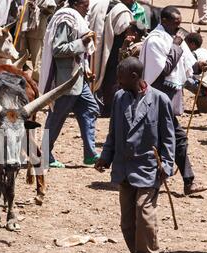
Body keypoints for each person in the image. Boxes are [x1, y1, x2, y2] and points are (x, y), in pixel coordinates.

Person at [95, 57, 175, 253]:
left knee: (144, 211)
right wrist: (106, 157)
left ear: (134, 77)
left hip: (149, 167)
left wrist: (167, 165)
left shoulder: (160, 100)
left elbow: (169, 137)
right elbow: (113, 133)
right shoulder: (120, 98)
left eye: (120, 79)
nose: (117, 83)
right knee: (127, 220)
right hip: (123, 168)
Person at [139, 6, 207, 196]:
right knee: (174, 138)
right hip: (157, 96)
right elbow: (164, 69)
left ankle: (178, 179)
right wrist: (177, 45)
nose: (178, 28)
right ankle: (186, 180)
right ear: (164, 21)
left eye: (180, 24)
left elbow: (185, 64)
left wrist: (197, 66)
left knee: (168, 138)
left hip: (170, 97)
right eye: (175, 24)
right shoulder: (155, 40)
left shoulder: (174, 38)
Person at [39, 0, 100, 168]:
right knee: (57, 117)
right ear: (75, 4)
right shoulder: (66, 19)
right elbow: (58, 49)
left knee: (90, 108)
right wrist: (82, 43)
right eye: (84, 4)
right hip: (65, 80)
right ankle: (45, 155)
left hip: (77, 77)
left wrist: (85, 68)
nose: (87, 7)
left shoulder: (76, 18)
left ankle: (90, 153)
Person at [92, 0, 134, 117]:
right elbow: (122, 32)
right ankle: (109, 109)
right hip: (114, 52)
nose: (133, 1)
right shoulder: (123, 12)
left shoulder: (101, 5)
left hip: (104, 49)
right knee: (112, 80)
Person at [17, 0, 57, 82]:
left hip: (37, 31)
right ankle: (18, 79)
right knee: (21, 56)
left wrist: (37, 8)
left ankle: (38, 82)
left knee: (37, 60)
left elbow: (51, 10)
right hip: (24, 29)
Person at [184, 32, 207, 99]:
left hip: (206, 90)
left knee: (181, 77)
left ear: (192, 44)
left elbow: (185, 68)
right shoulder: (204, 50)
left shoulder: (194, 54)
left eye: (186, 44)